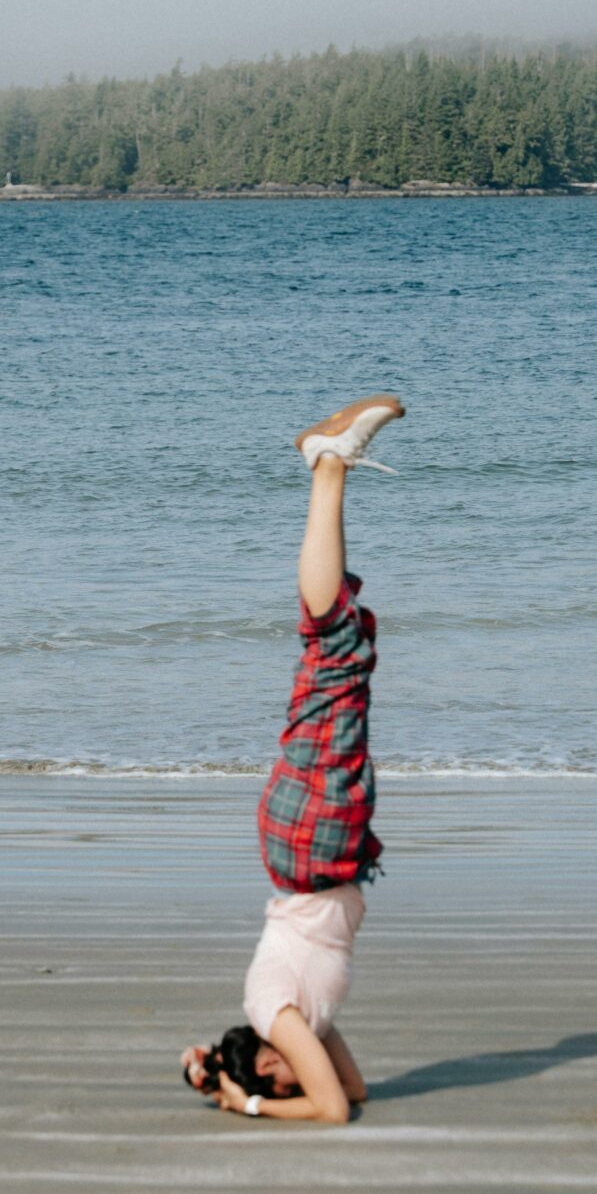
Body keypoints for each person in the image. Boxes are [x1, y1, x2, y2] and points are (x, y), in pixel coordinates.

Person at [181, 394, 404, 1125]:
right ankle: (328, 464)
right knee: (343, 660)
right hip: (311, 844)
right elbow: (357, 1092)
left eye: (279, 1081)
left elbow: (332, 1111)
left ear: (269, 1065)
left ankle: (327, 463)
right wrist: (210, 1075)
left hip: (311, 840)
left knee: (334, 651)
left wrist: (245, 1105)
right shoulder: (303, 1017)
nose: (292, 1079)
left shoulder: (275, 1009)